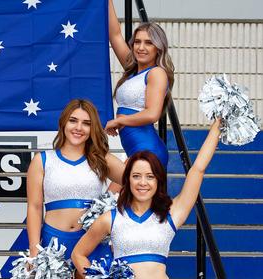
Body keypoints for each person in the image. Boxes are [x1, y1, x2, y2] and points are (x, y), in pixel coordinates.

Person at [72, 120, 221, 278]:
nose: (143, 183)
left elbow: (197, 169)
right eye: (136, 176)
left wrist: (218, 125)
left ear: (158, 181)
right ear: (127, 179)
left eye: (150, 176)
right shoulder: (110, 218)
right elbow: (78, 254)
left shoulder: (171, 213)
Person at [26, 99, 125, 274]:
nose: (79, 128)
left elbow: (134, 178)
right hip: (54, 243)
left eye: (86, 123)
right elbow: (34, 207)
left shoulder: (100, 158)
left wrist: (107, 201)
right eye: (73, 120)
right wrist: (34, 249)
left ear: (92, 129)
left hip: (91, 241)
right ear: (63, 122)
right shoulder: (42, 160)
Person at [105, 0, 174, 166]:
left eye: (148, 43)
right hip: (134, 148)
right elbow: (114, 35)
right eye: (137, 42)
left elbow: (152, 114)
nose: (141, 47)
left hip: (147, 149)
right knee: (120, 191)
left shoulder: (156, 73)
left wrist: (119, 121)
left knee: (115, 191)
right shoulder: (132, 68)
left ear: (158, 48)